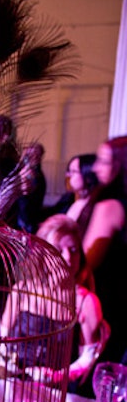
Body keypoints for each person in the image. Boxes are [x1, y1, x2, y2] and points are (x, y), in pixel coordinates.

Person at [0, 215, 105, 396]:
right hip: (14, 385)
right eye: (58, 250)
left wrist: (57, 376)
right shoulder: (21, 291)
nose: (68, 257)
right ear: (44, 255)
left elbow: (88, 357)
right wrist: (3, 362)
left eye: (73, 250)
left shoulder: (86, 302)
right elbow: (1, 335)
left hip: (57, 395)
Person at [82, 136, 127, 363]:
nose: (96, 167)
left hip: (106, 299)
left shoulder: (110, 205)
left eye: (103, 161)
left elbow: (87, 260)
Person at [15, 142, 47, 233]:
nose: (23, 157)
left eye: (27, 155)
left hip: (26, 222)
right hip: (26, 219)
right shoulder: (31, 172)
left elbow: (26, 200)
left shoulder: (33, 174)